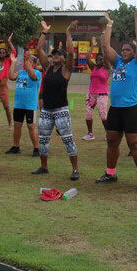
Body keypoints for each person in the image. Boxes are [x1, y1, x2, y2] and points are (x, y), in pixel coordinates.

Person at [95, 6, 137, 190]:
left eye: (128, 49)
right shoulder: (118, 62)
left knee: (134, 143)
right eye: (123, 49)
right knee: (111, 140)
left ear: (134, 52)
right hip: (116, 108)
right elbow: (105, 46)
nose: (124, 51)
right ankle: (110, 173)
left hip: (132, 108)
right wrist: (109, 25)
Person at [32, 20, 79, 179]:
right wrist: (44, 32)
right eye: (55, 54)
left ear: (64, 59)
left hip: (61, 110)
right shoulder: (48, 67)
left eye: (60, 54)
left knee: (67, 139)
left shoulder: (66, 70)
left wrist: (68, 34)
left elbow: (71, 53)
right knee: (43, 139)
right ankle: (43, 167)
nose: (56, 56)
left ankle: (75, 170)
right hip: (46, 110)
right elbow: (39, 49)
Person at [5, 52, 41, 156]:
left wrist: (27, 62)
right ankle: (16, 146)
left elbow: (32, 76)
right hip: (18, 105)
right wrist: (13, 63)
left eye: (29, 62)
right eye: (27, 61)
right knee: (17, 126)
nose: (27, 63)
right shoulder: (21, 72)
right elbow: (11, 76)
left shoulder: (37, 73)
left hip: (30, 105)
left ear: (34, 64)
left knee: (31, 126)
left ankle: (36, 148)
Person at [82, 36, 111, 140]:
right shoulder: (93, 67)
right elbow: (87, 58)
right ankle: (90, 134)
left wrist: (103, 44)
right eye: (97, 59)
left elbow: (106, 56)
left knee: (103, 115)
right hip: (91, 94)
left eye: (101, 59)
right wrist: (93, 46)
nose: (99, 60)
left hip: (102, 95)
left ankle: (108, 134)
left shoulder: (107, 68)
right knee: (88, 114)